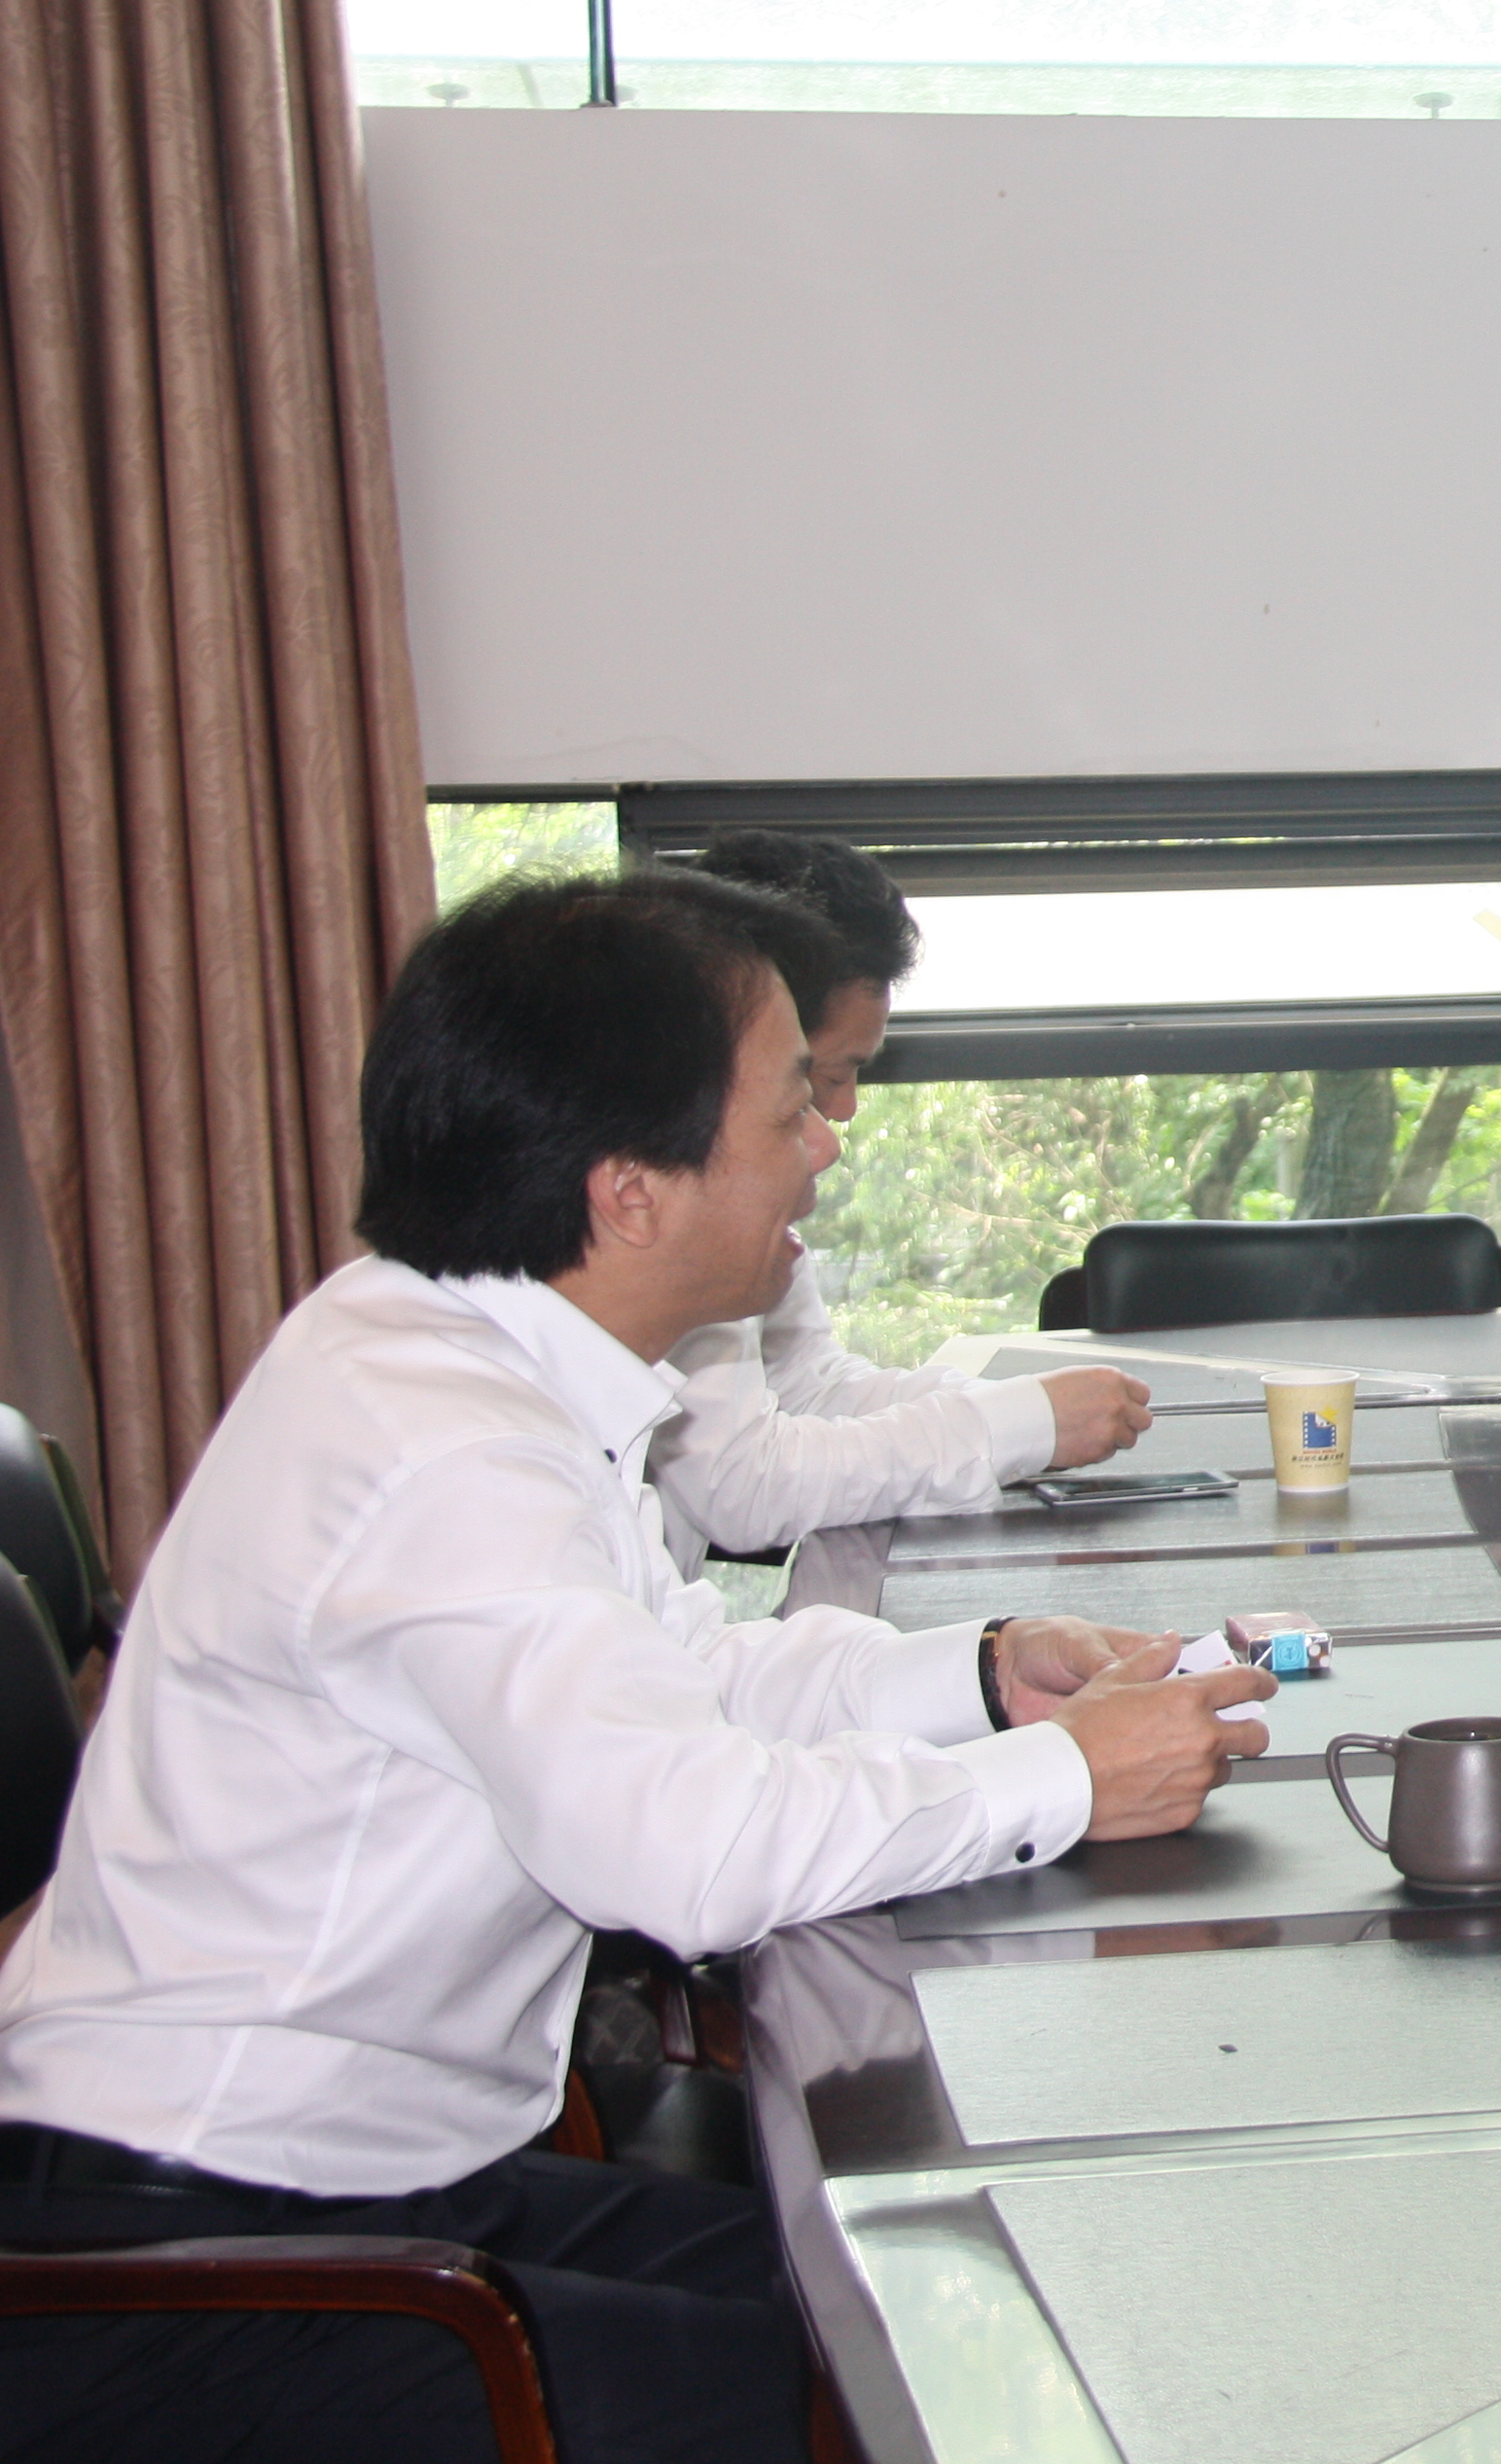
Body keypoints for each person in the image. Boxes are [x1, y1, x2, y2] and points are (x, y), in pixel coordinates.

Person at [0, 870, 1273, 2462]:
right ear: (628, 1192)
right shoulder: (444, 1447)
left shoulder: (462, 1354)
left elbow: (684, 1675)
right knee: (921, 2393)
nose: (826, 1144)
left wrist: (987, 1677)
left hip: (365, 2178)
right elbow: (689, 1852)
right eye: (787, 1106)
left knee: (941, 2294)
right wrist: (1064, 1779)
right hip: (201, 2256)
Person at [652, 830, 1149, 1569]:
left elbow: (803, 1379)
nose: (842, 1116)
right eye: (828, 1075)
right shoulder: (672, 1208)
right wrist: (1006, 1426)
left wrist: (1013, 1408)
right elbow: (739, 1483)